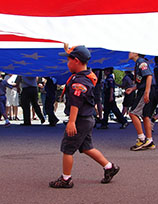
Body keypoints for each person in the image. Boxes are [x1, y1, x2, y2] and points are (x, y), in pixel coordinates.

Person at [49, 44, 120, 188]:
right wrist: (69, 50)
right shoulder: (85, 75)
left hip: (80, 119)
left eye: (68, 60)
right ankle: (109, 167)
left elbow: (76, 102)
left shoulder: (80, 80)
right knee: (87, 147)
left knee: (67, 149)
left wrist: (71, 122)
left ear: (76, 61)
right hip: (86, 118)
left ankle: (66, 179)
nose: (67, 63)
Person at [126, 52, 156, 151]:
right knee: (146, 115)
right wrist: (133, 89)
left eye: (131, 51)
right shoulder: (139, 63)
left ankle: (141, 138)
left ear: (136, 53)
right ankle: (149, 141)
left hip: (145, 91)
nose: (129, 53)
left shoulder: (141, 62)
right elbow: (142, 80)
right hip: (146, 90)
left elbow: (149, 76)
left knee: (132, 113)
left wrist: (147, 92)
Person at [150, 56, 158, 131]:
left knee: (152, 108)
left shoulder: (154, 69)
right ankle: (153, 119)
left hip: (154, 89)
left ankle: (151, 122)